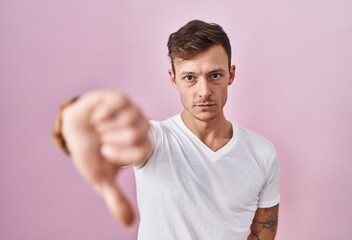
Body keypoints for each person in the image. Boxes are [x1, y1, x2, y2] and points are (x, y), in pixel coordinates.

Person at [53, 20, 280, 240]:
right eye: (190, 78)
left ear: (231, 74)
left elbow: (263, 232)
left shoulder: (261, 152)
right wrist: (72, 116)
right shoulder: (152, 140)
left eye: (215, 75)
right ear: (173, 79)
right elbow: (109, 141)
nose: (204, 91)